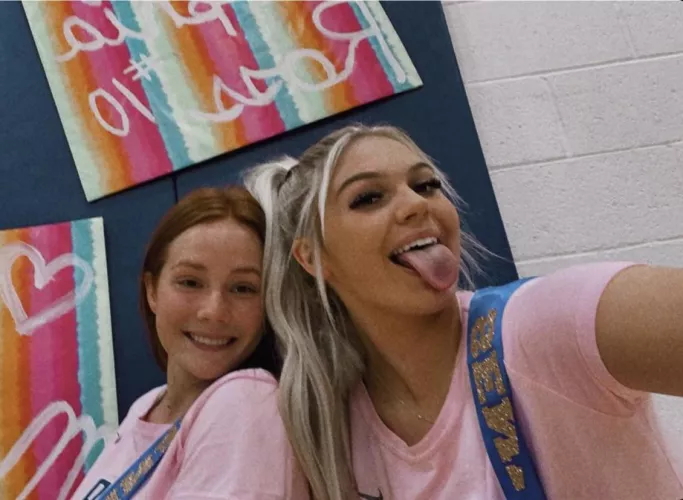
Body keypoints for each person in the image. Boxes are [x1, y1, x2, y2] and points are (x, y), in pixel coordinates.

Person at [245, 124, 683, 500]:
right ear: (313, 258)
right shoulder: (334, 433)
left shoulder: (540, 325)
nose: (417, 204)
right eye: (370, 197)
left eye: (425, 185)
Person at [71, 186, 307, 499]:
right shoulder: (147, 406)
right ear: (152, 291)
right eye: (190, 282)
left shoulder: (247, 402)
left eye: (243, 288)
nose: (213, 311)